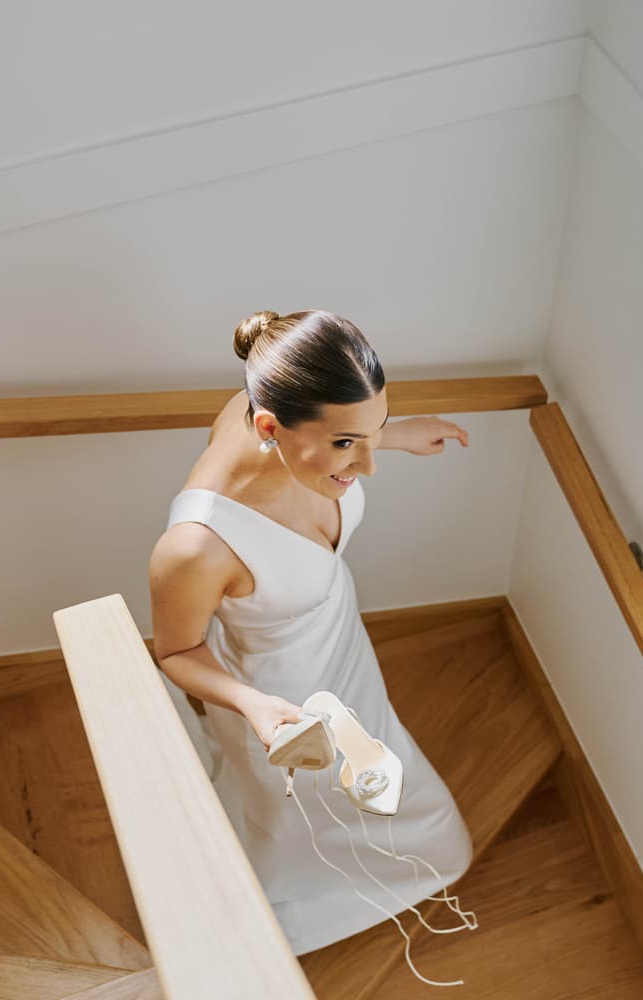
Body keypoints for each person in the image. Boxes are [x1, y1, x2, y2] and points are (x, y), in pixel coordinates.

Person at [149, 309, 476, 962]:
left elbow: (346, 440)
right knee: (302, 812)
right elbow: (176, 651)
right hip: (278, 696)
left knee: (381, 761)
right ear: (268, 426)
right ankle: (279, 914)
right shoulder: (195, 549)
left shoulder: (279, 417)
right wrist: (255, 706)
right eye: (348, 445)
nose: (368, 466)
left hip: (341, 647)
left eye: (372, 432)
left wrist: (401, 435)